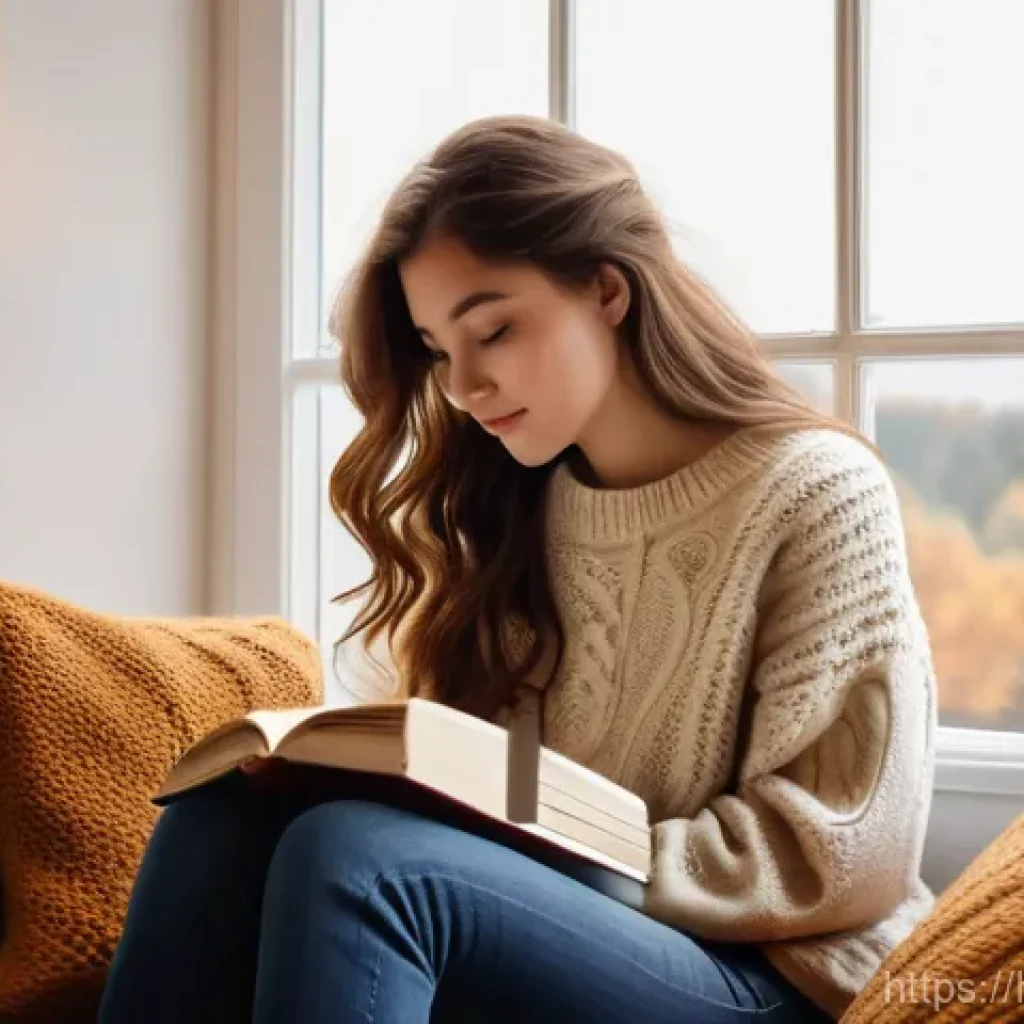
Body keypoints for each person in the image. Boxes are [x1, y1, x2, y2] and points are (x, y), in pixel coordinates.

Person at [99, 115, 937, 1024]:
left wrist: (556, 853)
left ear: (607, 290)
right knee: (220, 821)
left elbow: (840, 857)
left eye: (493, 330)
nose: (464, 386)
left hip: (772, 980)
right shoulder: (512, 506)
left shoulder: (816, 491)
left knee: (360, 861)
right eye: (438, 350)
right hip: (578, 936)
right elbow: (481, 791)